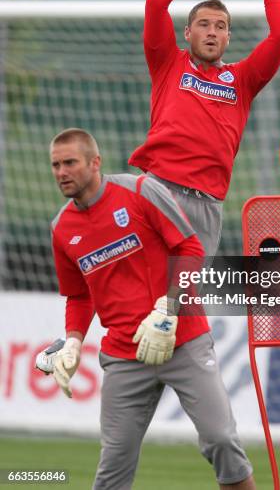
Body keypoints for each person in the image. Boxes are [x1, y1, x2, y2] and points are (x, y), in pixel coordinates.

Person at [36, 128, 256, 490]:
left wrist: (168, 309)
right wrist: (73, 341)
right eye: (56, 165)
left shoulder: (139, 191)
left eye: (70, 163)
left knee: (221, 441)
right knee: (113, 467)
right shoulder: (62, 228)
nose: (61, 172)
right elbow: (78, 296)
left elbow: (189, 249)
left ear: (95, 163)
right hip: (124, 355)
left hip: (183, 339)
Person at [128, 0, 280, 255]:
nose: (212, 32)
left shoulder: (243, 80)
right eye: (203, 24)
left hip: (207, 207)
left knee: (182, 301)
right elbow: (156, 2)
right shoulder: (167, 62)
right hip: (159, 191)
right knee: (142, 292)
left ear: (229, 37)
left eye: (220, 26)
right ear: (187, 33)